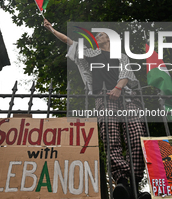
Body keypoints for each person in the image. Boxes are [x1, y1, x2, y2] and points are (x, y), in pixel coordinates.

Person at [44, 19, 151, 199]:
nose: (97, 37)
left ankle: (135, 183)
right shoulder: (91, 53)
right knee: (111, 135)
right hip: (103, 97)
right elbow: (69, 42)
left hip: (127, 97)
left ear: (109, 38)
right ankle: (122, 181)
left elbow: (126, 73)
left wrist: (118, 88)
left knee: (136, 134)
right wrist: (51, 29)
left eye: (100, 35)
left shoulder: (121, 55)